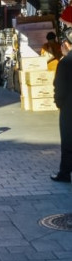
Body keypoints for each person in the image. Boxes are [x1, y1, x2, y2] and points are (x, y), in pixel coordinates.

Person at [52, 29, 72, 183]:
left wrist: (59, 103)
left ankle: (65, 173)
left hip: (68, 107)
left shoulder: (65, 62)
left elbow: (59, 86)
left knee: (67, 140)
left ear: (66, 44)